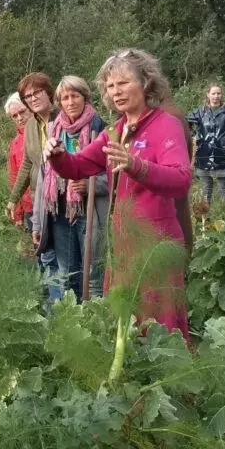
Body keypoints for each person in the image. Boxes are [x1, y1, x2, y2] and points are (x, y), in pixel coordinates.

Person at [45, 49, 193, 339]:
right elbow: (79, 166)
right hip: (123, 241)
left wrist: (136, 165)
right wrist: (58, 156)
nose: (116, 92)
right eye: (110, 86)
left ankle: (168, 378)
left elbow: (181, 179)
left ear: (146, 83)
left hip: (156, 243)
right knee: (125, 321)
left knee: (159, 327)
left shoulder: (166, 125)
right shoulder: (117, 130)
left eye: (123, 83)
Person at [43, 76, 109, 301]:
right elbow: (45, 172)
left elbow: (114, 175)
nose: (70, 102)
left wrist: (91, 184)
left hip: (89, 212)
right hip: (61, 211)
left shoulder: (100, 129)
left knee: (92, 273)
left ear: (85, 98)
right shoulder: (53, 130)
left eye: (75, 96)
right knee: (66, 273)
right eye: (65, 98)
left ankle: (94, 321)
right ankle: (72, 321)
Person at [5, 72, 62, 302]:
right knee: (46, 256)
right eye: (28, 96)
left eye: (37, 93)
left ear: (49, 93)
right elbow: (27, 164)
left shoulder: (62, 120)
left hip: (62, 198)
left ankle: (65, 307)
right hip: (37, 200)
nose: (33, 99)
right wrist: (13, 199)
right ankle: (52, 306)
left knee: (63, 259)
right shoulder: (31, 127)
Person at [4, 93, 32, 229]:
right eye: (14, 116)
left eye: (22, 112)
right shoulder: (15, 144)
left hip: (50, 201)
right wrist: (18, 213)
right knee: (38, 246)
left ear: (30, 108)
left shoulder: (46, 131)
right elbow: (15, 178)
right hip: (29, 206)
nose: (20, 118)